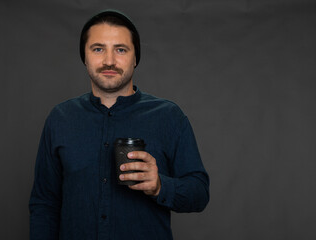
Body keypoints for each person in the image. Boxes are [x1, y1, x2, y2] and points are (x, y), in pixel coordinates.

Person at [29, 10, 209, 240]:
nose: (109, 61)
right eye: (98, 49)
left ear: (136, 58)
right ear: (84, 56)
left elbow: (200, 193)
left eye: (121, 49)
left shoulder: (169, 116)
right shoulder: (60, 118)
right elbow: (44, 203)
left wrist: (160, 186)